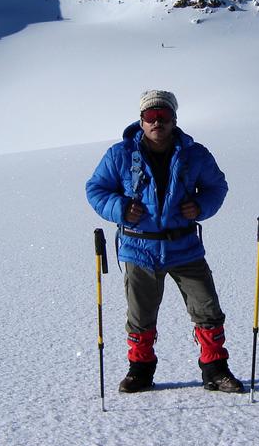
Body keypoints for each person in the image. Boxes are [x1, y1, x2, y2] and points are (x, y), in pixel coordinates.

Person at [86, 90, 244, 394]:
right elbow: (96, 190)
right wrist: (119, 208)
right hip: (138, 248)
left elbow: (216, 187)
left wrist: (200, 207)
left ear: (174, 119)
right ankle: (140, 373)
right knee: (140, 316)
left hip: (184, 246)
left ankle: (215, 371)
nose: (157, 121)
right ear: (141, 121)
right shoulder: (119, 155)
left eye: (163, 116)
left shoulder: (194, 154)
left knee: (207, 310)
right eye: (150, 116)